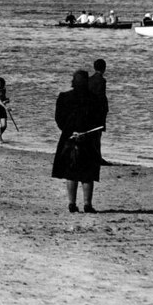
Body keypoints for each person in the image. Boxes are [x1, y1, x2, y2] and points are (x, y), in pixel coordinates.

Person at [52, 70, 106, 213]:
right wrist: (85, 133)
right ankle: (87, 204)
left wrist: (70, 131)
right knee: (88, 172)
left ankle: (72, 203)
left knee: (71, 171)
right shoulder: (94, 99)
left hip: (69, 138)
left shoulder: (64, 97)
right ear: (87, 82)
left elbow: (59, 118)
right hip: (88, 139)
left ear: (73, 82)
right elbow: (98, 120)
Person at [88, 59, 110, 165]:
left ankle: (92, 156)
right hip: (98, 112)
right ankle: (97, 157)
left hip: (89, 110)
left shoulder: (89, 79)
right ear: (104, 68)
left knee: (91, 134)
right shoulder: (101, 81)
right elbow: (101, 97)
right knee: (97, 135)